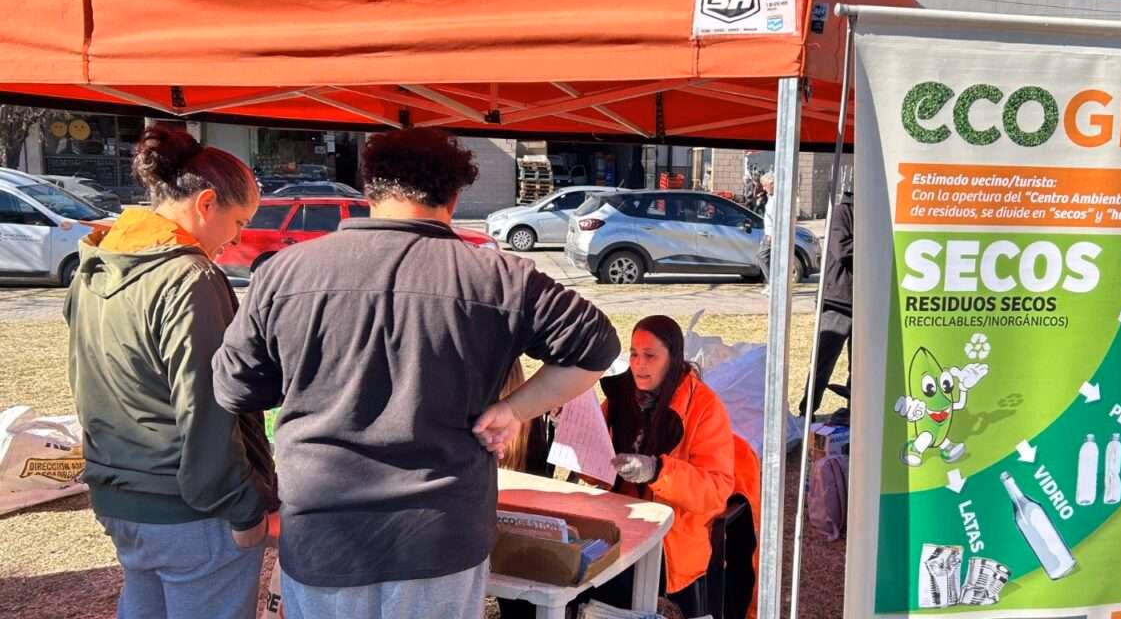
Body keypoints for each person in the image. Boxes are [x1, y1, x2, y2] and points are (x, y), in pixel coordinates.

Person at [211, 128, 620, 619]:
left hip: (324, 531)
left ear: (368, 190)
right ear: (454, 196)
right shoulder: (498, 277)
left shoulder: (284, 272)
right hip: (440, 537)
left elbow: (233, 385)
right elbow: (597, 348)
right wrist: (515, 410)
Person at [64, 125, 276, 619]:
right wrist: (241, 504)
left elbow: (84, 379)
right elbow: (208, 403)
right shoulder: (190, 277)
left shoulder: (96, 261)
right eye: (239, 221)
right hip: (191, 508)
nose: (238, 238)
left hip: (120, 495)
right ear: (206, 204)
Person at [601, 315, 736, 618]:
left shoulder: (705, 407)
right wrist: (570, 430)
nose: (638, 364)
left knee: (613, 581)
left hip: (675, 536)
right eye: (634, 353)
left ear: (672, 358)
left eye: (650, 356)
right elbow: (596, 469)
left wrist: (658, 471)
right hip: (618, 524)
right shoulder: (618, 397)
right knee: (578, 570)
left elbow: (715, 490)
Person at [799, 190, 854, 418]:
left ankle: (856, 413)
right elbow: (842, 250)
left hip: (867, 303)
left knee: (861, 367)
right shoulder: (843, 212)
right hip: (838, 300)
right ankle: (807, 412)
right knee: (823, 362)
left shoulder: (876, 215)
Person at [755, 171, 776, 295]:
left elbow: (775, 217)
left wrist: (771, 234)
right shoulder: (770, 196)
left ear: (771, 183)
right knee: (762, 256)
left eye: (765, 185)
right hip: (768, 232)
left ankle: (771, 284)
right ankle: (770, 283)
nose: (763, 188)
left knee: (762, 256)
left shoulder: (777, 197)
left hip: (771, 234)